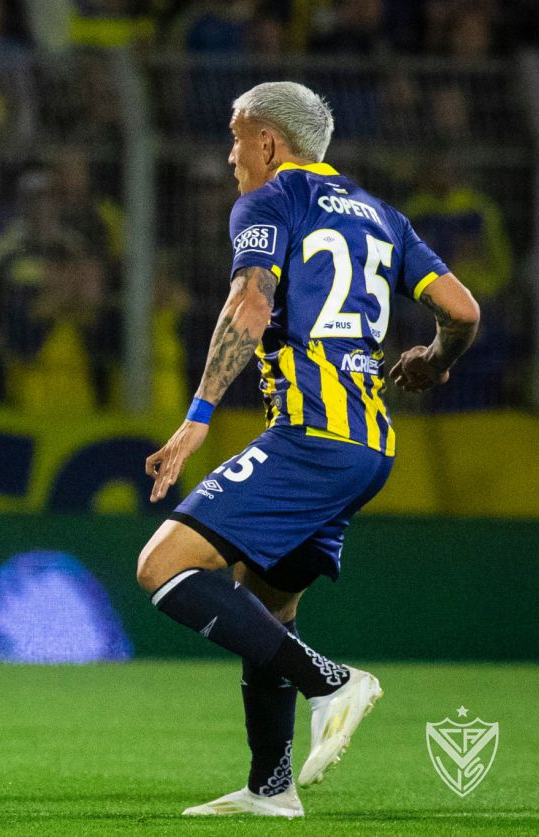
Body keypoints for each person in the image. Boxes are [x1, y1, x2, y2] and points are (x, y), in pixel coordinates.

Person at [134, 82, 479, 818]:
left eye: (236, 138)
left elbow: (251, 303)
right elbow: (463, 310)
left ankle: (332, 681)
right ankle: (271, 788)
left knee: (163, 567)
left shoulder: (272, 198)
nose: (231, 156)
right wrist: (434, 360)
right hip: (370, 444)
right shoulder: (382, 216)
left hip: (313, 436)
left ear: (268, 142)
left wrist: (198, 417)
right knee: (268, 606)